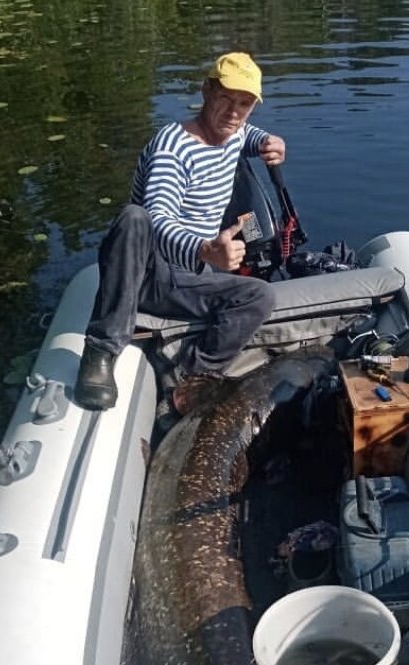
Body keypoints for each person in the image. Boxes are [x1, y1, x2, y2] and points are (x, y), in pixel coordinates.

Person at [74, 52, 286, 412]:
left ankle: (190, 379)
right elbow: (158, 218)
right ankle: (101, 350)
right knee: (134, 217)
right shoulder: (173, 150)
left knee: (260, 296)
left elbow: (249, 135)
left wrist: (271, 142)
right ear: (206, 91)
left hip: (192, 276)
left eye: (245, 104)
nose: (234, 112)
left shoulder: (234, 132)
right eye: (225, 99)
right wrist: (205, 250)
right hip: (153, 271)